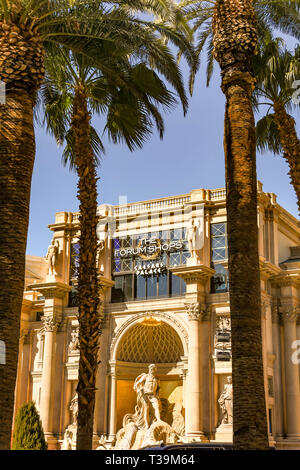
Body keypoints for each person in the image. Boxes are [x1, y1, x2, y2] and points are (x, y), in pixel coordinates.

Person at [134, 364, 161, 428]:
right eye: (151, 369)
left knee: (156, 406)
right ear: (149, 369)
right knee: (146, 409)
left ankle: (159, 420)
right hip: (145, 395)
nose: (152, 370)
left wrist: (157, 394)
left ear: (155, 370)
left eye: (153, 369)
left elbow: (159, 387)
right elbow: (139, 382)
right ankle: (146, 425)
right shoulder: (146, 376)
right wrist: (137, 387)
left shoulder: (156, 378)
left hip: (153, 395)